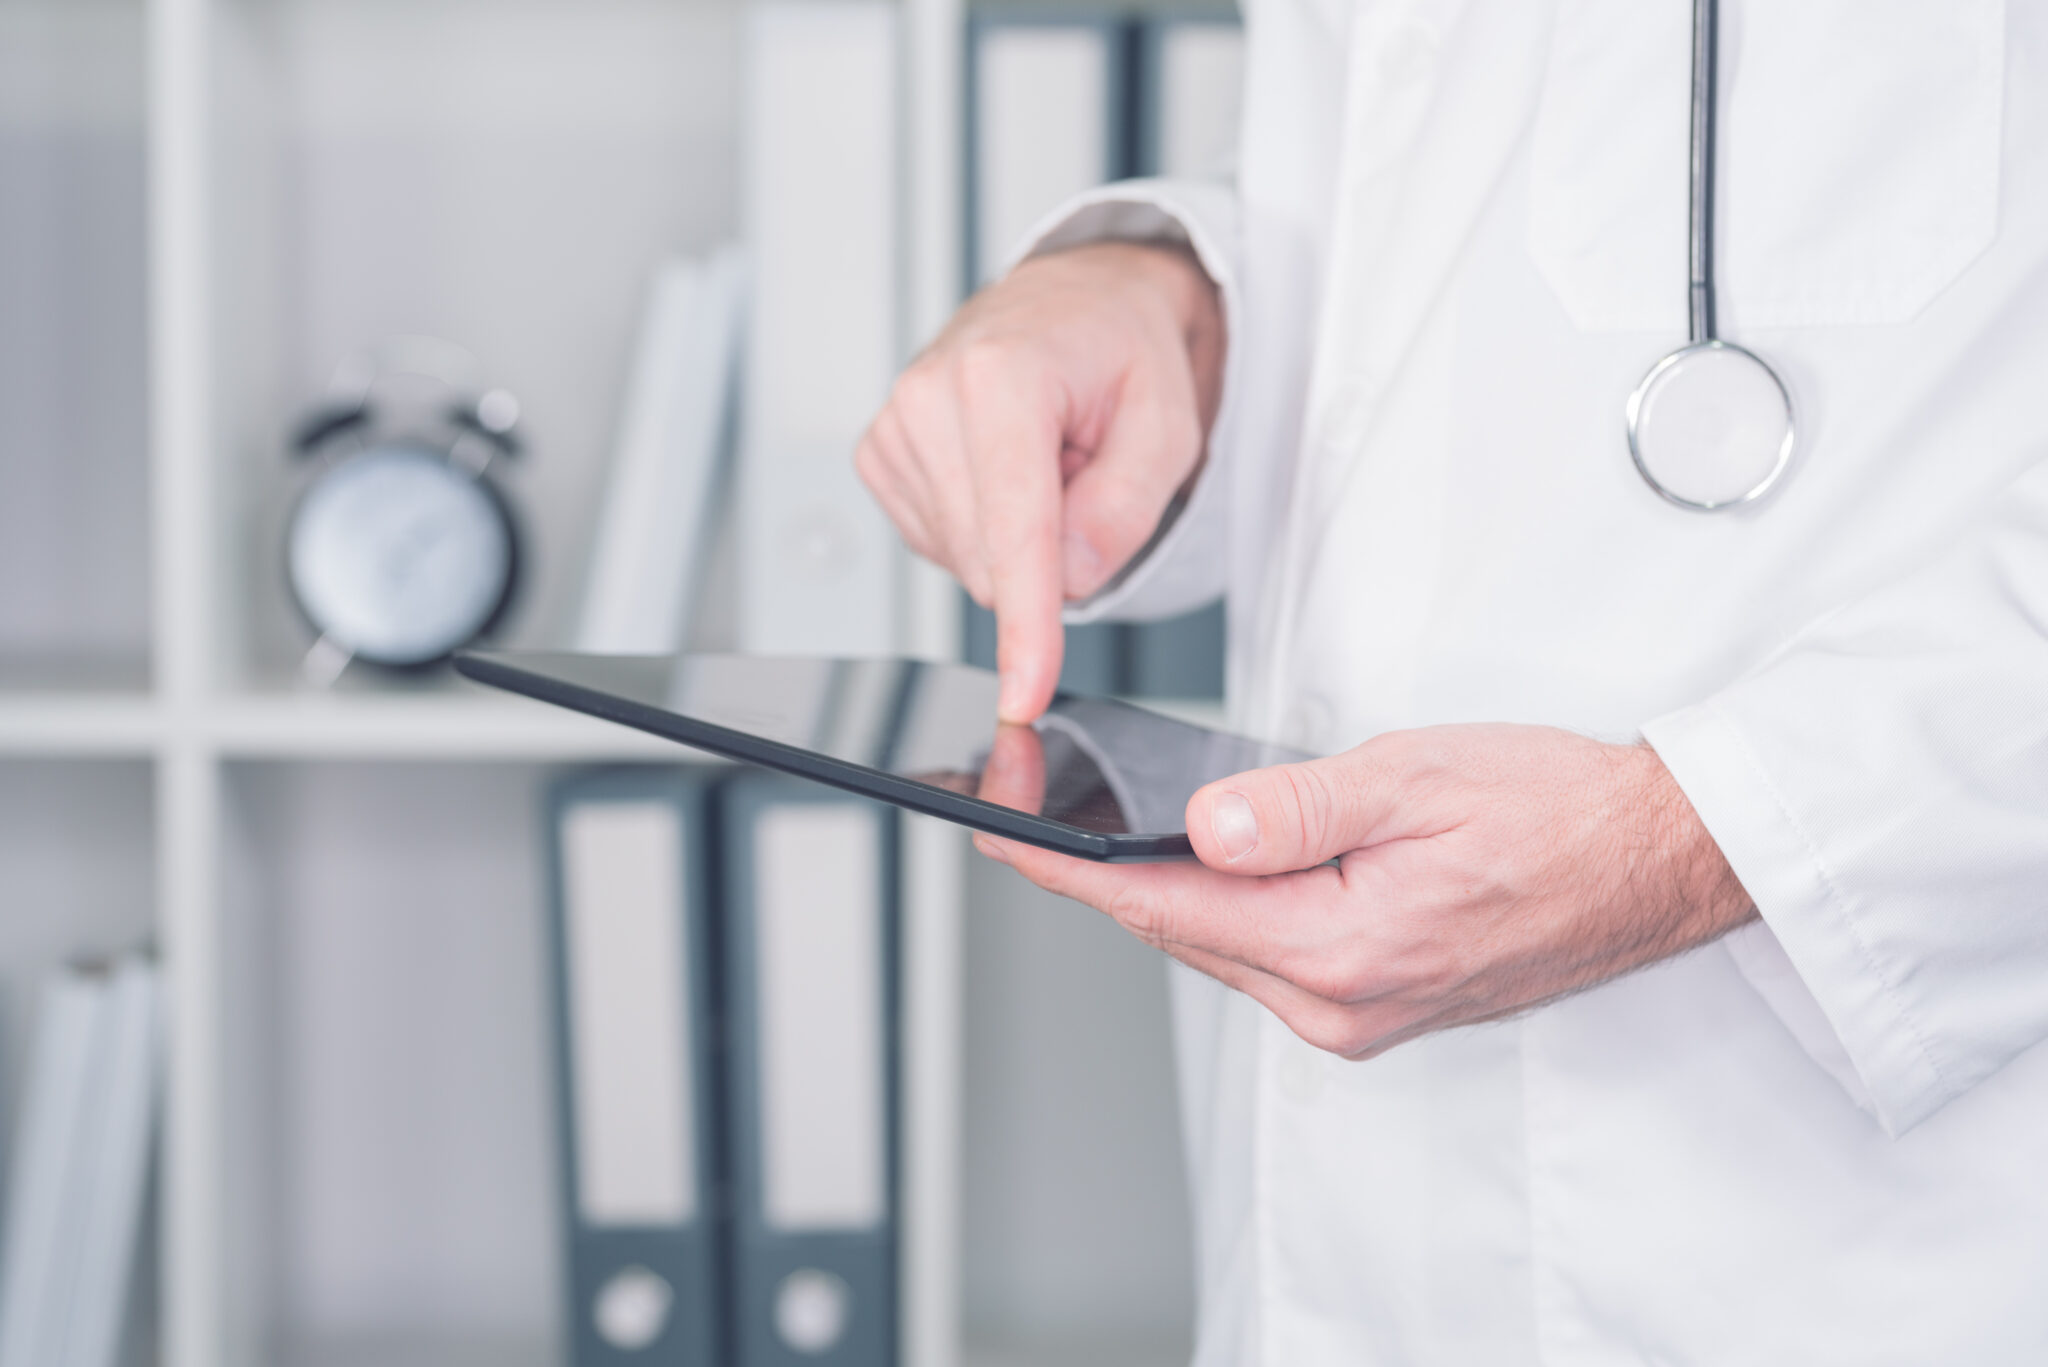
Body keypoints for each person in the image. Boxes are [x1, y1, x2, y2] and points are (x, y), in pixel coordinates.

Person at [856, 2, 2048, 1362]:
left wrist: (1715, 832)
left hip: (1881, 1230)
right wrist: (1171, 298)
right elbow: (1431, 215)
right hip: (1324, 1219)